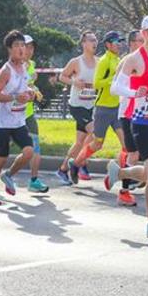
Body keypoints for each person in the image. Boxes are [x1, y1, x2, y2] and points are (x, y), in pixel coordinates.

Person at [105, 15, 148, 240]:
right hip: (140, 120)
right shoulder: (134, 59)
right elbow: (115, 88)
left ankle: (120, 172)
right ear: (144, 34)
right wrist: (135, 93)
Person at [69, 31, 128, 182]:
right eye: (116, 42)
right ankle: (75, 164)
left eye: (120, 41)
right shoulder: (103, 61)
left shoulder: (118, 60)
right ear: (108, 44)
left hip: (116, 108)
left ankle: (124, 177)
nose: (119, 44)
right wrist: (113, 81)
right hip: (103, 109)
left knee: (126, 144)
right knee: (97, 144)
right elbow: (97, 83)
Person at [0, 31, 36, 205]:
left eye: (23, 45)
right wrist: (15, 97)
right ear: (9, 49)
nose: (21, 49)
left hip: (18, 121)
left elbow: (24, 88)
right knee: (1, 157)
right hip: (3, 122)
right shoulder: (6, 70)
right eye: (17, 45)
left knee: (28, 151)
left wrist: (30, 93)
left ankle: (8, 175)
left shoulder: (25, 66)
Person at [56, 31, 98, 185]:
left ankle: (62, 169)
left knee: (80, 141)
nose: (94, 42)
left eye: (95, 40)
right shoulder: (76, 62)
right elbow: (62, 76)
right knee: (95, 133)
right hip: (77, 105)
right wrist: (74, 82)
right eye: (91, 40)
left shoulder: (99, 62)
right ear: (83, 43)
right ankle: (79, 164)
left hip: (90, 106)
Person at [115, 30, 144, 207]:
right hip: (128, 112)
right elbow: (116, 88)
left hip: (144, 112)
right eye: (140, 40)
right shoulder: (127, 62)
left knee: (136, 153)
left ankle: (129, 176)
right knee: (134, 153)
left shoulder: (146, 60)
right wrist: (134, 93)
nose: (144, 43)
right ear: (132, 43)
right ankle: (123, 190)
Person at [22, 35, 48, 193]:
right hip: (12, 115)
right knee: (1, 151)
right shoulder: (13, 66)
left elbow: (30, 85)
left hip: (28, 113)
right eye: (26, 46)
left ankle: (34, 180)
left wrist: (37, 93)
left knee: (36, 147)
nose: (30, 50)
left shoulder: (31, 65)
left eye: (32, 47)